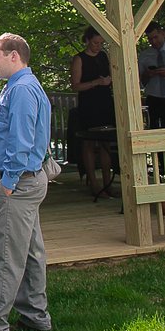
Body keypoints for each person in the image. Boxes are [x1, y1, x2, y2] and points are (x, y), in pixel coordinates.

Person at [0, 33, 54, 331]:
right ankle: (35, 316)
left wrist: (6, 185)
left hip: (18, 182)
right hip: (27, 180)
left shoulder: (20, 89)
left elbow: (21, 143)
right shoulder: (21, 87)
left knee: (6, 255)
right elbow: (23, 133)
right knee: (31, 252)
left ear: (14, 56)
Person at [70, 26, 117, 200]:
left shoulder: (104, 57)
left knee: (105, 143)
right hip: (89, 104)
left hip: (105, 102)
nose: (98, 46)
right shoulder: (79, 59)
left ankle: (107, 182)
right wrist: (97, 82)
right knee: (89, 143)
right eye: (96, 42)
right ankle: (94, 183)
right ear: (88, 40)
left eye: (101, 43)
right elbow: (76, 85)